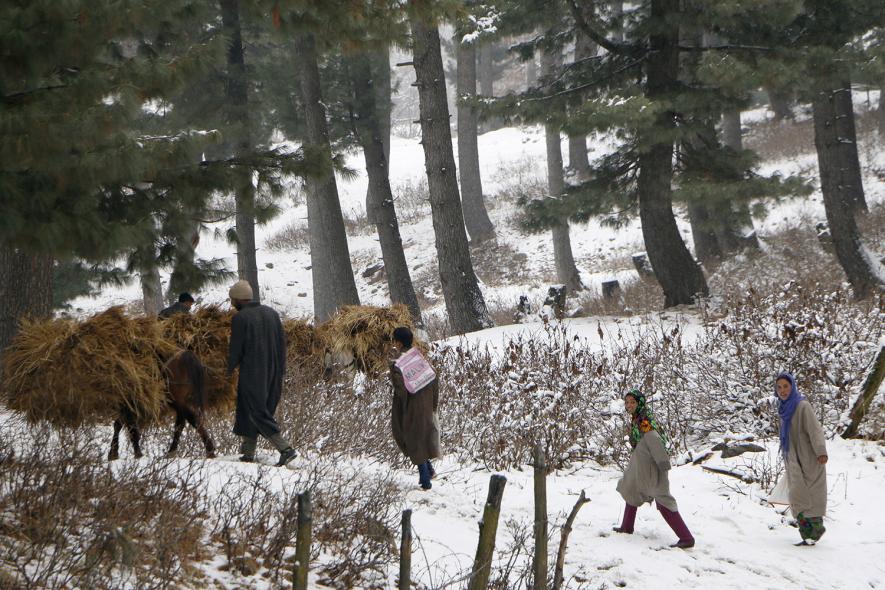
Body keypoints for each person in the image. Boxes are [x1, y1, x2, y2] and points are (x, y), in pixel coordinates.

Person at [613, 389, 695, 549]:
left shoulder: (644, 419)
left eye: (632, 402)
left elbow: (654, 439)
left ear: (639, 403)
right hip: (641, 462)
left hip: (652, 465)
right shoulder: (637, 417)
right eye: (627, 402)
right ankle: (626, 527)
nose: (629, 405)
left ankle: (686, 537)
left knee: (662, 498)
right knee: (630, 489)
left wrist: (663, 464)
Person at [226, 279, 296, 467]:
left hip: (253, 372)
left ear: (238, 300)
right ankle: (248, 452)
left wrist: (227, 370)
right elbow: (282, 344)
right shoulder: (271, 313)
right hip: (274, 370)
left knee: (257, 410)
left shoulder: (240, 319)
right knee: (252, 408)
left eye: (232, 300)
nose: (231, 304)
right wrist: (281, 369)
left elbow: (236, 349)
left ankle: (285, 449)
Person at [775, 371, 828, 545]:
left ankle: (814, 532)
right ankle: (808, 534)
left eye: (786, 386)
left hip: (808, 457)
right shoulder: (783, 408)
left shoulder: (802, 406)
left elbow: (814, 430)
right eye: (779, 387)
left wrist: (821, 452)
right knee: (797, 495)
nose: (783, 390)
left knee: (812, 495)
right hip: (792, 458)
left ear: (793, 387)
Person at [388, 326, 441, 490]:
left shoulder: (398, 364)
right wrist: (433, 405)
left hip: (410, 407)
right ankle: (430, 470)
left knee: (411, 440)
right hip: (426, 405)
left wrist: (403, 410)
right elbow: (434, 379)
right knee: (421, 439)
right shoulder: (419, 357)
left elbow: (401, 391)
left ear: (397, 342)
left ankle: (425, 479)